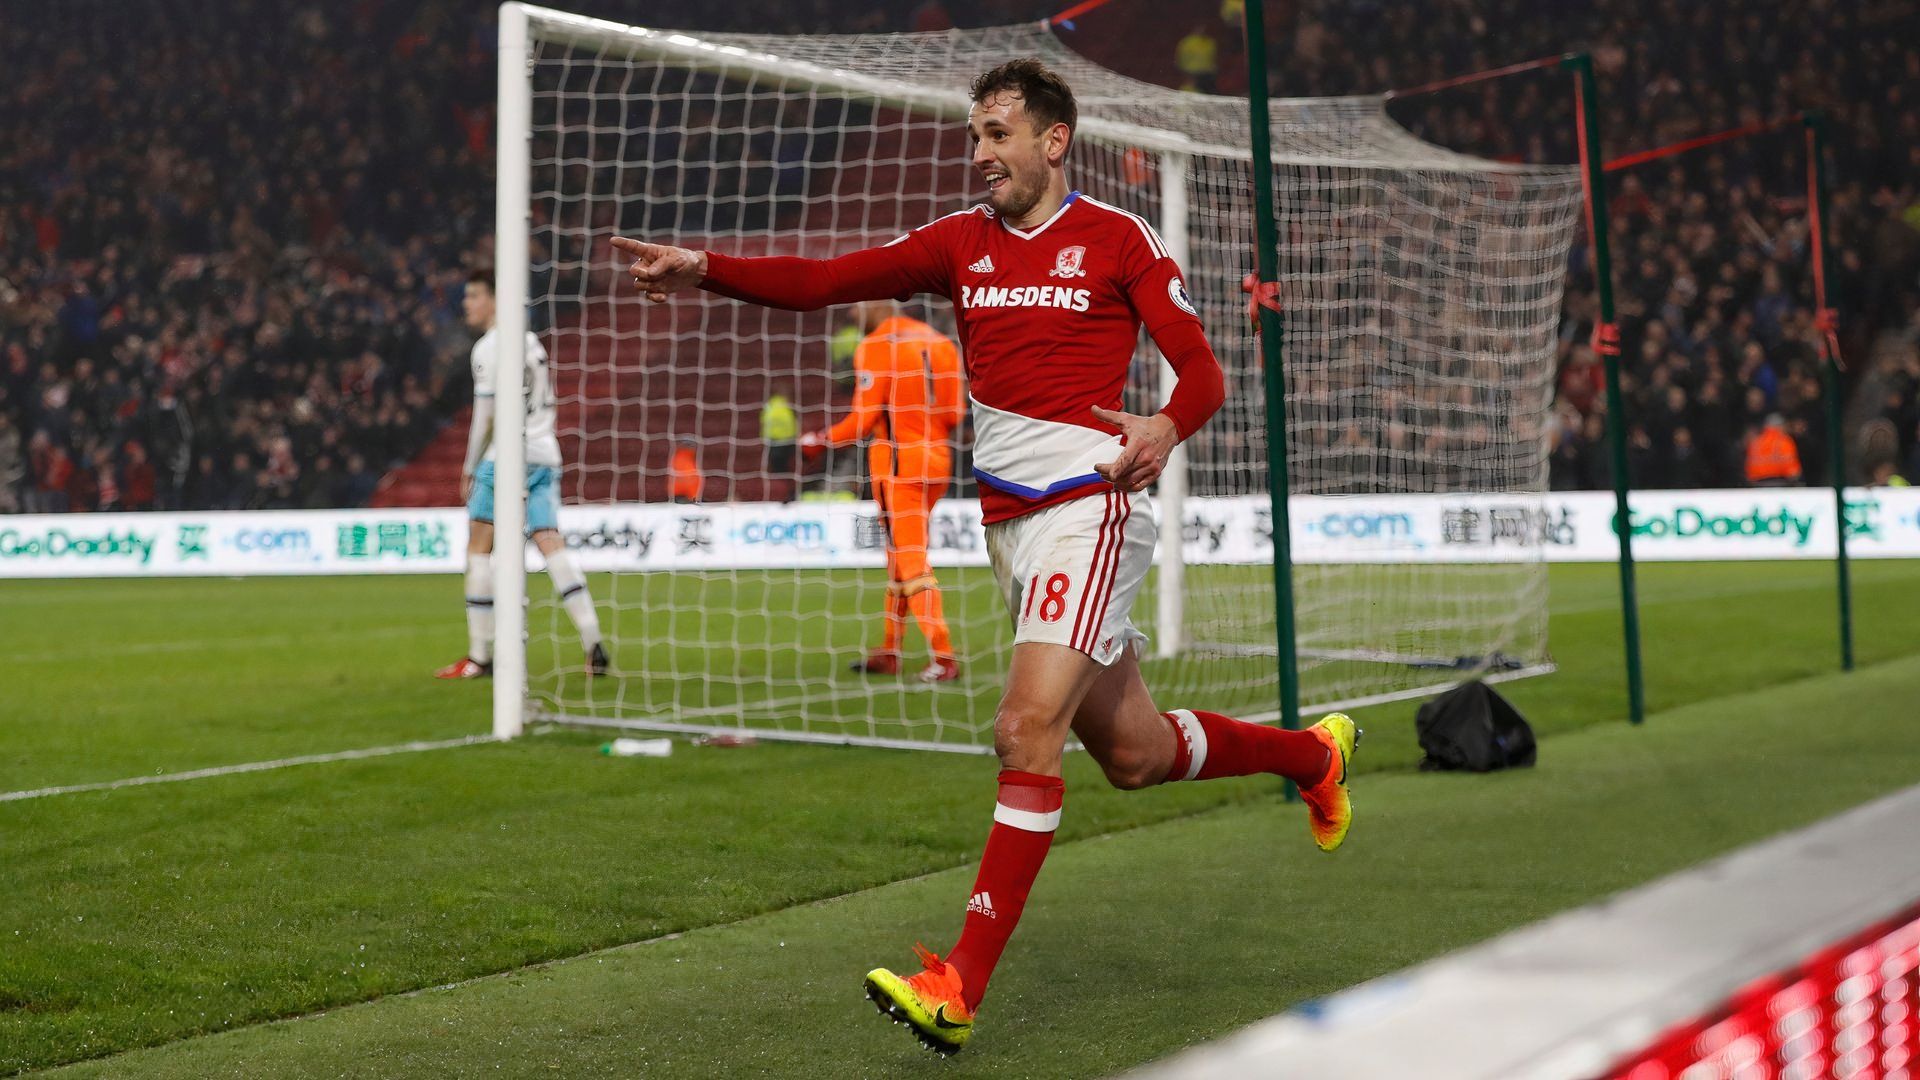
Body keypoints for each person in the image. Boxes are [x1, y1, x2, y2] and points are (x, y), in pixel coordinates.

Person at [613, 58, 1357, 1055]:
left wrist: (1165, 430)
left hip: (1093, 505)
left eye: (997, 133)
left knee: (1022, 728)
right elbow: (831, 280)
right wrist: (709, 268)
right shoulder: (959, 244)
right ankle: (1313, 755)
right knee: (1131, 754)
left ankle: (956, 986)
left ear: (1053, 140)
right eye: (975, 135)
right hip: (1010, 524)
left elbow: (1203, 370)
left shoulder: (1117, 240)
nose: (981, 154)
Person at [436, 268, 609, 681]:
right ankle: (594, 642)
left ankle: (479, 656)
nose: (467, 304)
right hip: (545, 452)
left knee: (479, 547)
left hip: (505, 458)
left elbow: (487, 415)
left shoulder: (489, 347)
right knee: (550, 542)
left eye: (474, 296)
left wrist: (469, 466)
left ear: (495, 299)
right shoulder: (532, 342)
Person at [803, 299, 966, 682]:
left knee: (911, 562)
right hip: (937, 463)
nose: (852, 316)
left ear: (876, 306)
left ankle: (943, 656)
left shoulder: (877, 345)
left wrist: (817, 439)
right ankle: (889, 650)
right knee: (899, 562)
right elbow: (954, 415)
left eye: (857, 310)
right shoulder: (940, 343)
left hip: (897, 467)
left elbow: (862, 420)